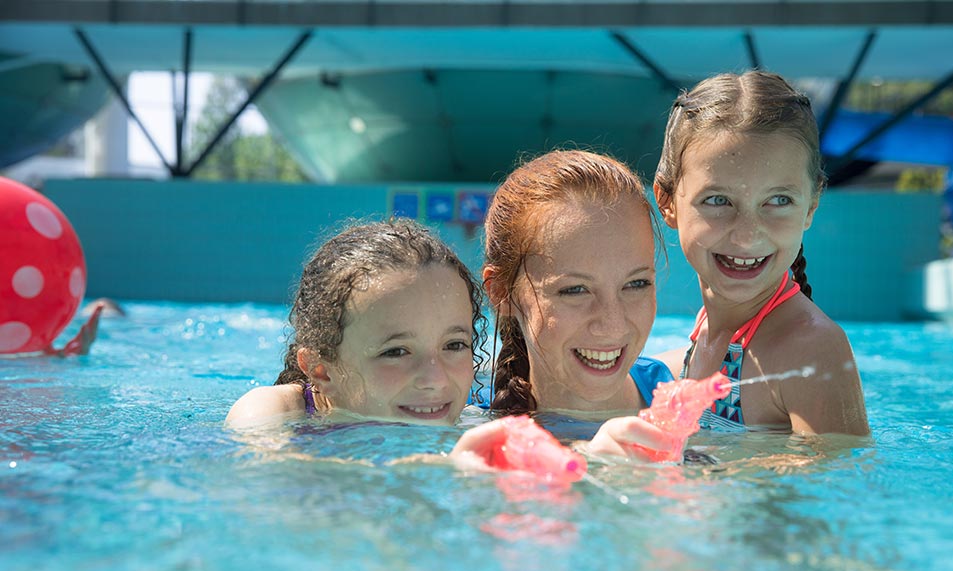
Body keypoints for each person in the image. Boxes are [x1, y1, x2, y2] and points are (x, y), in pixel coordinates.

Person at [647, 70, 869, 436]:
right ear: (667, 201)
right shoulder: (703, 336)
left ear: (811, 207)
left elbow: (835, 488)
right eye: (718, 200)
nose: (748, 235)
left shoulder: (810, 349)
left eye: (778, 200)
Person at [225, 219, 486, 428]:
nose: (436, 380)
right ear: (321, 371)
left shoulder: (474, 421)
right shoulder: (270, 413)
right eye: (395, 351)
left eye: (454, 345)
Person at [481, 148, 673, 418]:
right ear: (502, 293)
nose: (613, 326)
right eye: (575, 290)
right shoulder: (454, 422)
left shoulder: (696, 407)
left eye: (636, 284)